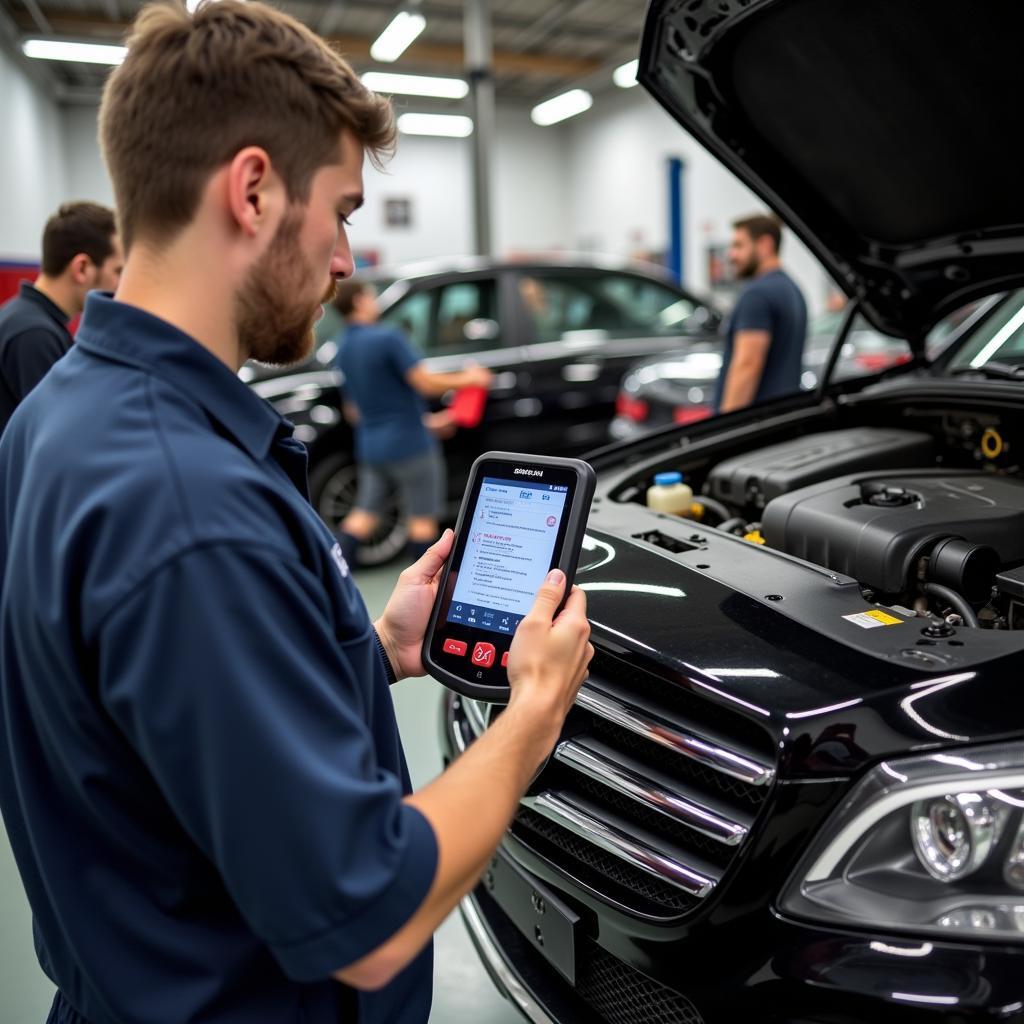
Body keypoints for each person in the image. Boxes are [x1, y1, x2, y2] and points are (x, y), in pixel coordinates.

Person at [0, 4, 592, 1024]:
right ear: (255, 188)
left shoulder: (56, 415)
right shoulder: (190, 507)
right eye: (345, 210)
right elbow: (364, 916)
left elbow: (153, 709)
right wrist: (532, 714)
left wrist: (362, 648)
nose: (348, 260)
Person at [334, 279, 492, 565]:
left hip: (371, 445)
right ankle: (426, 593)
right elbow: (425, 383)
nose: (374, 302)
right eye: (371, 296)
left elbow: (353, 411)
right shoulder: (387, 338)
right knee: (422, 519)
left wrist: (424, 422)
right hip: (410, 444)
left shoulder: (343, 347)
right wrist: (470, 379)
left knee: (364, 515)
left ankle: (335, 574)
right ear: (358, 301)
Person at [0, 201, 122, 434]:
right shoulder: (35, 334)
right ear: (82, 268)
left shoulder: (23, 318)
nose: (120, 284)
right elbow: (59, 436)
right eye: (118, 271)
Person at [716, 213, 807, 413]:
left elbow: (747, 365)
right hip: (785, 417)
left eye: (739, 246)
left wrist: (726, 427)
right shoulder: (793, 289)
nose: (732, 255)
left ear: (765, 245)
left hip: (756, 424)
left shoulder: (756, 295)